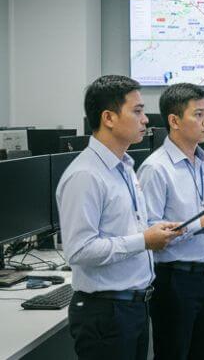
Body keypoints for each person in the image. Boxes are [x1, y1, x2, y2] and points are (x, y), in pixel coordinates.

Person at [57, 75, 183, 360]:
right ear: (109, 118)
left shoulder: (124, 166)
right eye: (137, 111)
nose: (145, 119)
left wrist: (155, 230)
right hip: (106, 312)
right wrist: (144, 241)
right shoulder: (86, 175)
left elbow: (125, 228)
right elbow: (79, 250)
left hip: (133, 306)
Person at [137, 83, 204, 360]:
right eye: (198, 115)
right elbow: (150, 234)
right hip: (175, 281)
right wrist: (200, 223)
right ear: (174, 120)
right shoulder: (156, 168)